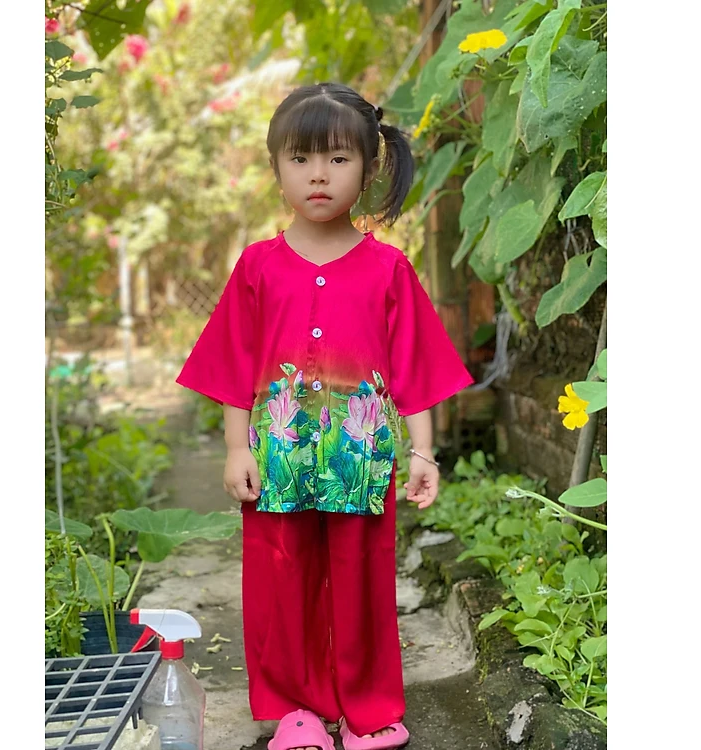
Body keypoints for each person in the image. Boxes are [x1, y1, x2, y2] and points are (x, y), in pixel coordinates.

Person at [177, 82, 473, 750]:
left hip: (359, 461)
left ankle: (368, 707)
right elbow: (232, 364)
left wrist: (422, 452)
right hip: (277, 461)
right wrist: (236, 448)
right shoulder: (257, 267)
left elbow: (416, 368)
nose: (319, 174)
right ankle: (296, 710)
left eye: (338, 159)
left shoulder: (388, 269)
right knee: (281, 582)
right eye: (301, 158)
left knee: (363, 581)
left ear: (368, 170)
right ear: (276, 168)